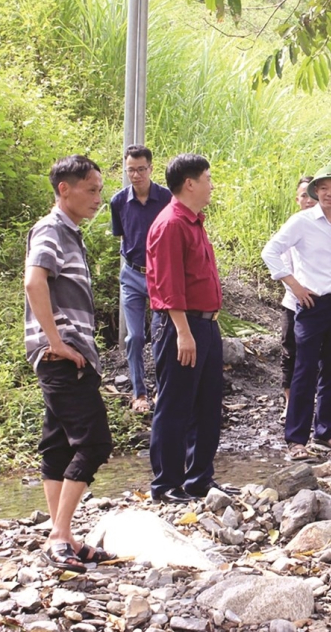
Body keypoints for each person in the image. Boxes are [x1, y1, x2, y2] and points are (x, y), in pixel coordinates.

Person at [24, 155, 115, 573]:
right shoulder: (51, 228)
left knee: (57, 444)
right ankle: (58, 537)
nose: (99, 197)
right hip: (62, 355)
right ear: (65, 189)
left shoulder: (70, 232)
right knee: (94, 441)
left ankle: (65, 536)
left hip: (70, 354)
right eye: (92, 189)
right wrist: (56, 342)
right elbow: (33, 280)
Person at [262, 166, 331, 462]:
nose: (330, 193)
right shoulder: (302, 222)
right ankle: (296, 439)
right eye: (325, 188)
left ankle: (326, 432)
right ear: (316, 192)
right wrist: (294, 285)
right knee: (304, 371)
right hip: (311, 306)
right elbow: (270, 251)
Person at [145, 154, 231, 503]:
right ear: (190, 183)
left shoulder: (194, 221)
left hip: (206, 324)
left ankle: (199, 478)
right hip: (182, 324)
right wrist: (183, 331)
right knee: (176, 403)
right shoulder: (171, 224)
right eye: (208, 178)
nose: (212, 185)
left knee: (208, 403)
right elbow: (168, 284)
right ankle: (166, 484)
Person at [110, 144, 172, 412]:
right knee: (134, 337)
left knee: (161, 335)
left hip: (161, 276)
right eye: (130, 170)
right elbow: (122, 235)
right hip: (132, 274)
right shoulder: (119, 201)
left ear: (151, 168)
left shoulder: (168, 198)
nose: (136, 175)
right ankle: (139, 393)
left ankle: (162, 390)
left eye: (141, 169)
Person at [280, 176, 317, 414]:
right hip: (293, 302)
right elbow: (281, 265)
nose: (309, 200)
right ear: (297, 199)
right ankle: (289, 403)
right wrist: (298, 290)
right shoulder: (291, 227)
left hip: (320, 304)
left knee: (317, 356)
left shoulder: (330, 227)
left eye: (313, 195)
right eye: (304, 195)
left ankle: (313, 403)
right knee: (290, 352)